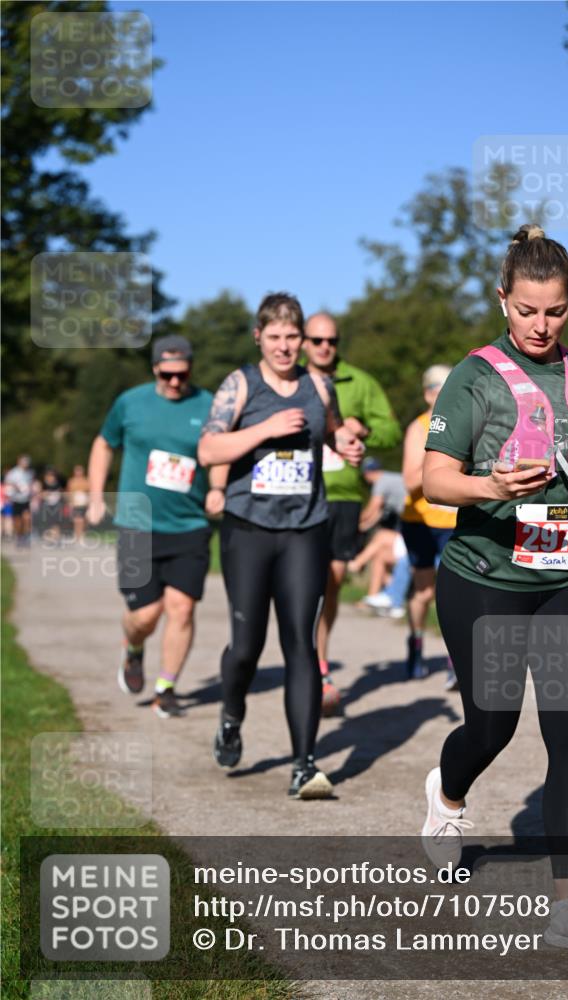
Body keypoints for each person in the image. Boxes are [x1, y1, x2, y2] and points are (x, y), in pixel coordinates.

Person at [421, 224, 568, 957]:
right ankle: (448, 794)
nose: (539, 325)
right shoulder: (474, 377)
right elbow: (432, 478)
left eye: (554, 311)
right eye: (525, 309)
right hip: (484, 577)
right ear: (503, 299)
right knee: (492, 722)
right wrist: (487, 482)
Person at [198, 292, 363, 798]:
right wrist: (265, 428)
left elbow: (333, 432)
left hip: (305, 528)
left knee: (300, 645)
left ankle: (304, 764)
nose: (286, 346)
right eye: (275, 337)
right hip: (248, 528)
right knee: (247, 647)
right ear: (259, 337)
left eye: (293, 337)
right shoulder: (240, 385)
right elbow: (208, 449)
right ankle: (231, 714)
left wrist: (347, 444)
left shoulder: (318, 385)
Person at [87, 335, 226, 718]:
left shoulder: (210, 404)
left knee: (181, 609)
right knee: (146, 615)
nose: (176, 382)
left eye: (183, 374)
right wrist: (98, 495)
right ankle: (133, 649)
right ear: (154, 370)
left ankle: (166, 688)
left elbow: (222, 450)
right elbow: (103, 444)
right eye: (168, 374)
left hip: (190, 523)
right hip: (137, 524)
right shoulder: (131, 403)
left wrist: (217, 487)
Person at [303, 313, 401, 712]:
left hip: (343, 496)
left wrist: (364, 430)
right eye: (317, 340)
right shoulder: (292, 379)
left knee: (333, 581)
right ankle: (311, 669)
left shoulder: (359, 382)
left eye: (331, 340)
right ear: (304, 341)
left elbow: (391, 430)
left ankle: (318, 665)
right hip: (300, 494)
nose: (324, 346)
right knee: (304, 585)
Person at [400, 366, 458, 684]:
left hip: (454, 520)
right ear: (427, 393)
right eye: (438, 387)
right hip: (420, 520)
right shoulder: (418, 428)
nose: (445, 392)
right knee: (424, 592)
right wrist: (436, 449)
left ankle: (455, 660)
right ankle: (417, 644)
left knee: (455, 594)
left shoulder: (466, 425)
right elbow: (410, 483)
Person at [349, 457, 409, 617]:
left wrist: (354, 522)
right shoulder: (391, 478)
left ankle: (356, 563)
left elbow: (373, 508)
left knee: (381, 537)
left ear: (367, 474)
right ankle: (373, 598)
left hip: (413, 528)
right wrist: (364, 526)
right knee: (380, 556)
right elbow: (378, 514)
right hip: (408, 528)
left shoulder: (381, 482)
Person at [5, 455, 34, 546]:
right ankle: (19, 536)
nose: (25, 464)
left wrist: (30, 490)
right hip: (16, 499)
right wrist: (16, 487)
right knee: (18, 520)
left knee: (27, 518)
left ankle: (26, 536)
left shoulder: (29, 473)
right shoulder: (13, 473)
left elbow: (31, 484)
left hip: (26, 499)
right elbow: (8, 483)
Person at [66, 464, 90, 542]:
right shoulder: (71, 481)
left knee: (82, 520)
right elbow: (69, 492)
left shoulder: (86, 481)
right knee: (76, 520)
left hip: (83, 502)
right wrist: (70, 502)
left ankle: (82, 535)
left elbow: (89, 492)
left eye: (80, 471)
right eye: (77, 471)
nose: (78, 472)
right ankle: (76, 535)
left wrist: (89, 502)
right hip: (75, 503)